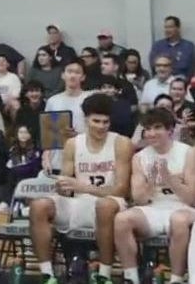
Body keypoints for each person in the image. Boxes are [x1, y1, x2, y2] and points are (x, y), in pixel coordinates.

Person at [28, 93, 132, 284]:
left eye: (105, 122)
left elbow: (122, 190)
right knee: (39, 205)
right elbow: (67, 184)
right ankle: (47, 274)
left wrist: (83, 186)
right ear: (85, 120)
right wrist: (63, 185)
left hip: (111, 203)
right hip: (79, 201)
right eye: (96, 121)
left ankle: (104, 274)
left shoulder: (121, 143)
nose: (101, 126)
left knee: (104, 206)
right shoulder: (73, 143)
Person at [114, 108, 192, 284]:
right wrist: (152, 182)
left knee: (179, 220)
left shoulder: (188, 153)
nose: (151, 133)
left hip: (181, 207)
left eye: (157, 128)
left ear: (170, 131)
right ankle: (131, 277)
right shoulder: (140, 157)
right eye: (148, 129)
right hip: (153, 208)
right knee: (122, 219)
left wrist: (170, 179)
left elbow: (191, 198)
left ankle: (176, 278)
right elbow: (139, 198)